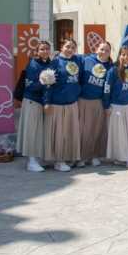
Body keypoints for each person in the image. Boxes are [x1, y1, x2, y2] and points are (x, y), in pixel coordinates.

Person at [44, 38, 83, 171]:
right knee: (59, 134)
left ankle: (69, 158)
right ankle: (58, 161)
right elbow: (48, 84)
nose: (70, 49)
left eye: (73, 47)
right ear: (62, 47)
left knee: (70, 133)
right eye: (67, 46)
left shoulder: (77, 60)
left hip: (72, 103)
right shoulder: (55, 63)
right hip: (58, 104)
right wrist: (47, 102)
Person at [17, 40, 52, 172]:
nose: (45, 51)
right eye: (42, 49)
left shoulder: (50, 64)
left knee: (40, 132)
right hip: (32, 101)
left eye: (47, 48)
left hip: (44, 102)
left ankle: (38, 158)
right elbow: (30, 85)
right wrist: (43, 82)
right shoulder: (33, 64)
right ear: (37, 51)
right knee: (32, 131)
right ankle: (31, 161)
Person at [104, 45, 128, 170]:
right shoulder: (113, 71)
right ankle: (125, 159)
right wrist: (106, 105)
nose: (125, 57)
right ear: (119, 55)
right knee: (120, 135)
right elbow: (107, 89)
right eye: (123, 54)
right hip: (116, 106)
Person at [78, 41, 112, 167]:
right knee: (83, 131)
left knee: (97, 130)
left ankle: (94, 155)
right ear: (97, 49)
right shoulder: (86, 60)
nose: (104, 52)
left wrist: (107, 104)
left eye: (107, 50)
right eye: (102, 49)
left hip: (98, 101)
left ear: (110, 53)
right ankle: (81, 157)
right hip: (83, 100)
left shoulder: (110, 67)